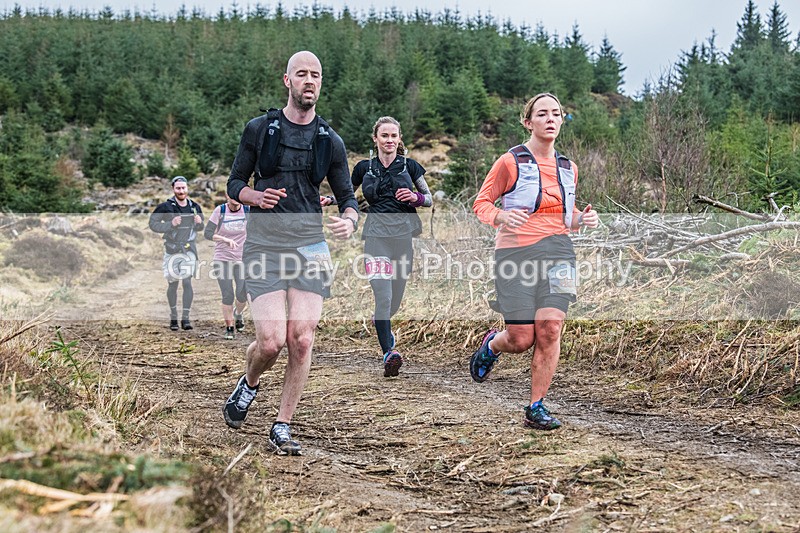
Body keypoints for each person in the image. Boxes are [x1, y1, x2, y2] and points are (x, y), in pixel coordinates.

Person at [222, 51, 359, 455]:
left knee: (301, 338)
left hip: (311, 246)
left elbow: (348, 197)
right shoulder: (259, 129)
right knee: (270, 342)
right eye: (302, 74)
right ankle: (248, 385)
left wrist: (349, 221)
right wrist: (255, 196)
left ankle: (282, 424)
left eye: (316, 74)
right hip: (264, 244)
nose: (309, 81)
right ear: (287, 80)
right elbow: (234, 184)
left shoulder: (329, 141)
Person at [470, 93, 599, 430]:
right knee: (521, 338)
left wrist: (581, 221)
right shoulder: (510, 161)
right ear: (528, 122)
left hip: (559, 251)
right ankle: (492, 346)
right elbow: (481, 203)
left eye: (556, 113)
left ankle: (536, 407)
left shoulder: (569, 167)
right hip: (515, 253)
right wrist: (500, 217)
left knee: (551, 329)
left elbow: (563, 217)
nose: (551, 119)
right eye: (542, 114)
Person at [345, 116, 432, 377]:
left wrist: (415, 197)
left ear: (399, 138)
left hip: (403, 237)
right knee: (382, 296)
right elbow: (347, 195)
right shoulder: (363, 168)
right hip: (375, 238)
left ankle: (381, 323)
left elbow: (428, 199)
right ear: (375, 138)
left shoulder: (411, 167)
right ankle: (388, 353)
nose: (390, 140)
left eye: (394, 136)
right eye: (385, 136)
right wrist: (338, 206)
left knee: (394, 300)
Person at [148, 176, 205, 331]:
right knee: (173, 284)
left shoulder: (194, 206)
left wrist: (200, 223)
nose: (181, 191)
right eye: (178, 188)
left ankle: (185, 319)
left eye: (184, 188)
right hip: (172, 251)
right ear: (173, 189)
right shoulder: (165, 206)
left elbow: (201, 227)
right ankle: (173, 317)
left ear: (187, 189)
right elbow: (152, 224)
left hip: (189, 251)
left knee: (187, 282)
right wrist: (170, 224)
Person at [204, 193, 249, 340]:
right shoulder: (220, 211)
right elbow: (207, 233)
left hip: (242, 259)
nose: (235, 198)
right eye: (232, 195)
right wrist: (224, 239)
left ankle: (238, 314)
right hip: (222, 258)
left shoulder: (247, 210)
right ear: (226, 196)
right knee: (227, 294)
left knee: (242, 293)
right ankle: (229, 327)